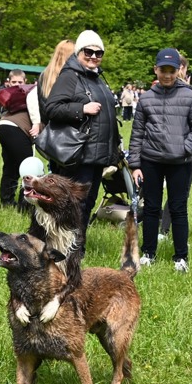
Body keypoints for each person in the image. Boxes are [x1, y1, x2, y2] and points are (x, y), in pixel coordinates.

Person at [128, 49, 192, 272]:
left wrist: (185, 149)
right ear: (156, 69)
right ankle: (148, 253)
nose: (167, 75)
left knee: (178, 208)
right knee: (152, 208)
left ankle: (181, 257)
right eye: (163, 70)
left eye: (171, 70)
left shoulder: (189, 96)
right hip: (151, 161)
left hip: (179, 163)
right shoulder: (146, 99)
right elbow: (137, 134)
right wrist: (135, 165)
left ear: (178, 71)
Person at [42, 30, 121, 233]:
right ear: (78, 52)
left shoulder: (96, 78)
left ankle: (76, 246)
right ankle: (65, 247)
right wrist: (81, 109)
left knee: (87, 202)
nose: (94, 56)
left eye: (98, 53)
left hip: (97, 154)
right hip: (79, 153)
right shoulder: (70, 76)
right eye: (88, 51)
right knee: (75, 204)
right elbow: (51, 108)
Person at [0, 69, 37, 209]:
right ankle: (25, 205)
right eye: (14, 82)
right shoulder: (29, 96)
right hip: (15, 129)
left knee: (11, 167)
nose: (17, 85)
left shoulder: (19, 97)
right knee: (29, 169)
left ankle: (6, 202)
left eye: (20, 82)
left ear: (25, 82)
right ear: (8, 82)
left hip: (3, 127)